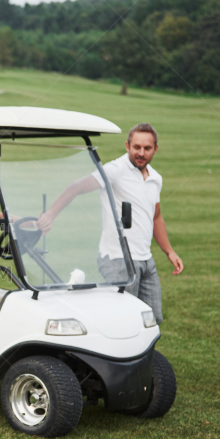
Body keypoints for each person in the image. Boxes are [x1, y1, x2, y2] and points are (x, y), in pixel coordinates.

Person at [37, 123, 183, 323]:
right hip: (118, 259)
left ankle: (144, 355)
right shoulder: (115, 169)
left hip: (146, 260)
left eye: (147, 148)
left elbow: (156, 217)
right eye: (136, 147)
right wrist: (50, 215)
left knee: (153, 319)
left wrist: (169, 252)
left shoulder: (155, 178)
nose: (141, 153)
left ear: (155, 149)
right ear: (127, 146)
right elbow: (76, 187)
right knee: (126, 321)